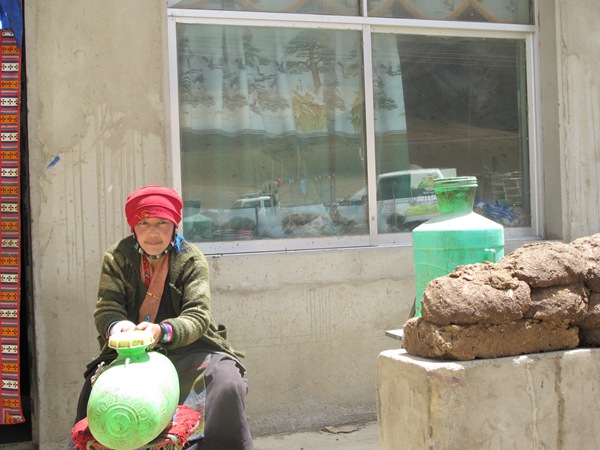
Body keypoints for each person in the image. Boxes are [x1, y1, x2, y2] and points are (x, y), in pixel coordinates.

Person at [68, 185, 253, 450]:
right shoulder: (118, 258)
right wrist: (120, 328)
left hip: (191, 347)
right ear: (133, 227)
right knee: (95, 388)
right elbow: (107, 308)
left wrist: (161, 331)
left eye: (162, 223)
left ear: (174, 225)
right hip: (130, 351)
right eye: (143, 223)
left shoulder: (190, 259)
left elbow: (198, 316)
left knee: (228, 382)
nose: (153, 233)